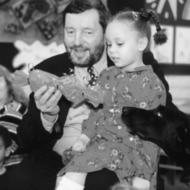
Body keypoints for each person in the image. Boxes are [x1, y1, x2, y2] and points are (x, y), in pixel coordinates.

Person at [8, 0, 175, 190]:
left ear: (106, 33)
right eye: (70, 31)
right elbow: (24, 140)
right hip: (57, 157)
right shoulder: (48, 69)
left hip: (119, 155)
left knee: (101, 183)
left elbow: (167, 115)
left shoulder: (137, 63)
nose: (77, 41)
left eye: (87, 32)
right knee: (17, 178)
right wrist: (47, 116)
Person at [56, 9, 167, 190]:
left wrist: (144, 175)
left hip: (135, 154)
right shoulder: (107, 75)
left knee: (79, 171)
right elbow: (97, 113)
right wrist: (84, 137)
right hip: (103, 147)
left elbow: (152, 133)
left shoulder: (151, 85)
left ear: (141, 44)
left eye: (119, 44)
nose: (112, 50)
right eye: (108, 44)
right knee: (69, 173)